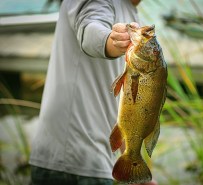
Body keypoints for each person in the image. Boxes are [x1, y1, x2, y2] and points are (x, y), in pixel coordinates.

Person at [29, 0, 157, 185]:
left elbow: (123, 105)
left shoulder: (130, 11)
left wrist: (137, 170)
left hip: (96, 163)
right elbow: (90, 28)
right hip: (74, 164)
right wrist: (111, 41)